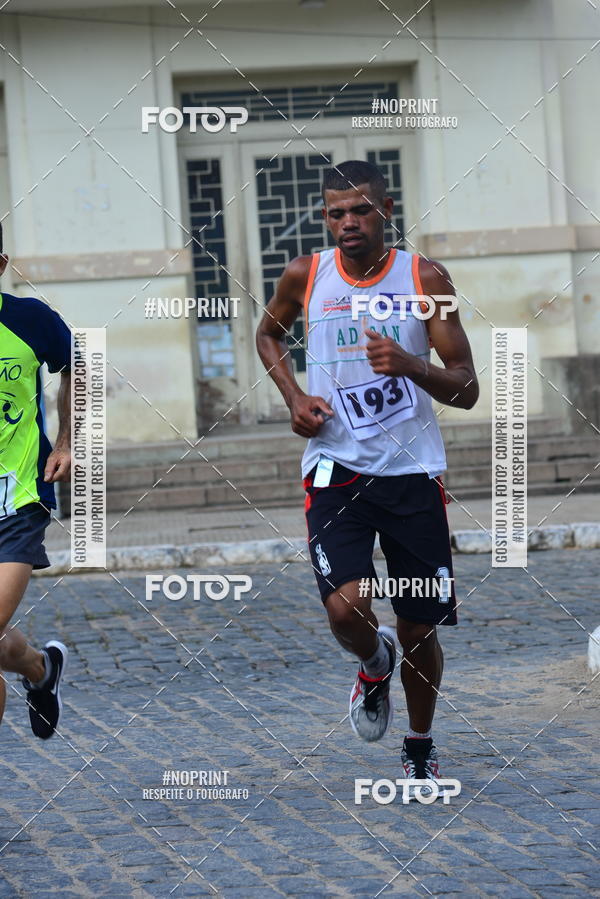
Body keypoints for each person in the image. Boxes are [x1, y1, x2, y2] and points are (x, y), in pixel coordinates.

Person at [256, 159, 478, 789]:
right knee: (346, 608)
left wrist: (412, 365)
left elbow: (466, 387)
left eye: (360, 210)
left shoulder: (425, 276)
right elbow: (267, 336)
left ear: (385, 210)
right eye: (335, 213)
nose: (348, 222)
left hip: (412, 475)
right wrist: (294, 399)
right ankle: (372, 661)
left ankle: (418, 742)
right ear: (324, 216)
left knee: (418, 623)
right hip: (335, 467)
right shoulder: (306, 274)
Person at [0, 227, 71, 739]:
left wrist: (68, 441)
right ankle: (41, 670)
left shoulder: (29, 319)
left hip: (18, 501)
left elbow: (79, 364)